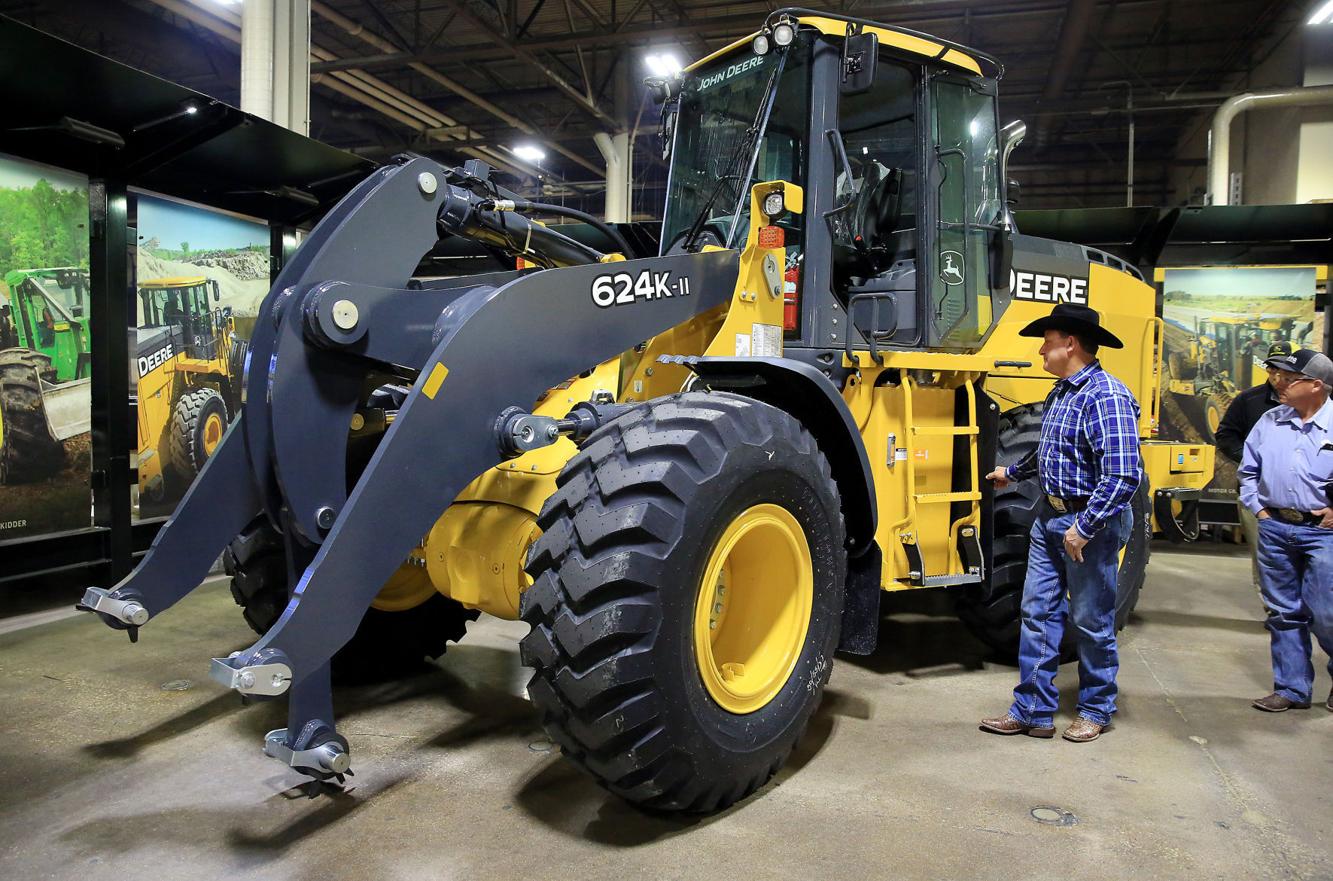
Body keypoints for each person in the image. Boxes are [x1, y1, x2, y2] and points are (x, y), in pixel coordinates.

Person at [979, 303, 1142, 743]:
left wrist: (1084, 526)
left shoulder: (1106, 395)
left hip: (1088, 525)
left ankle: (1096, 708)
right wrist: (1011, 474)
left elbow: (1124, 473)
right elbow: (1051, 450)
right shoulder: (1061, 393)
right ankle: (1031, 709)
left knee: (1091, 620)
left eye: (1046, 343)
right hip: (1050, 518)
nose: (1040, 352)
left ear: (1070, 343)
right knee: (1037, 613)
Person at [1237, 348, 1333, 713]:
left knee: (1326, 611)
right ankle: (1292, 689)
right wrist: (1260, 510)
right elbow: (1248, 470)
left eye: (1290, 379)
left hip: (1323, 532)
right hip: (1275, 527)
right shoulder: (1270, 421)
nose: (1279, 383)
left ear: (1316, 385)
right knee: (1284, 612)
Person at [1216, 341, 1293, 586]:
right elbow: (1226, 435)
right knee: (1264, 555)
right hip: (1257, 493)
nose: (1277, 376)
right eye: (1272, 369)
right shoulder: (1249, 400)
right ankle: (1273, 610)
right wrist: (1251, 459)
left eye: (1283, 370)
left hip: (1298, 499)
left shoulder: (1306, 404)